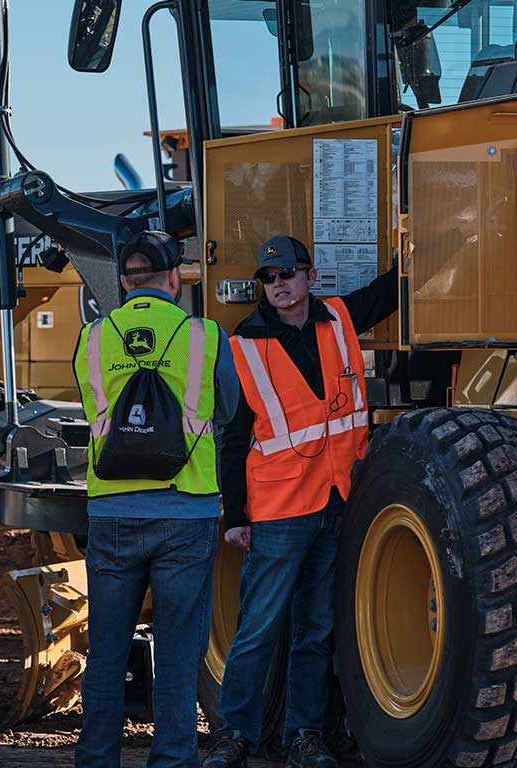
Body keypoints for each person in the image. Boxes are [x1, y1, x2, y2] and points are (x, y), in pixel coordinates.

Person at [201, 235, 397, 768]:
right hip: (279, 511)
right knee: (259, 628)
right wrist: (236, 516)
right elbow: (233, 437)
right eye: (268, 278)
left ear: (309, 276)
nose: (278, 285)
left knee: (316, 630)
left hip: (338, 503)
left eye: (287, 274)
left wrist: (432, 240)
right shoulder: (244, 345)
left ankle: (303, 737)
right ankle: (234, 735)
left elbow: (388, 293)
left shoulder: (338, 318)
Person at [72, 230, 239, 768]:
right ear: (175, 279)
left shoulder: (93, 337)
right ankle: (172, 758)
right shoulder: (205, 335)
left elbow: (92, 406)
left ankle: (97, 759)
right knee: (177, 651)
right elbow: (231, 412)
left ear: (123, 280)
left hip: (112, 511)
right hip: (185, 507)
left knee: (106, 651)